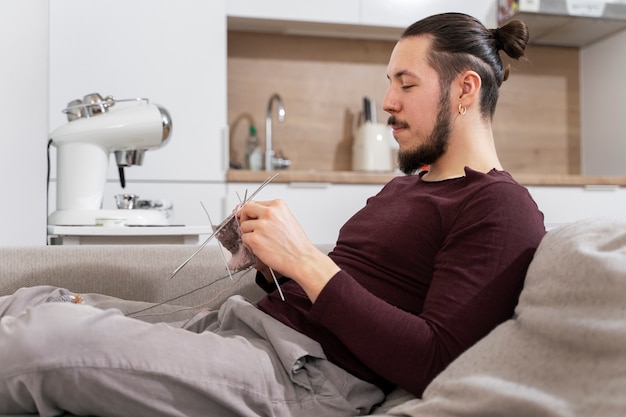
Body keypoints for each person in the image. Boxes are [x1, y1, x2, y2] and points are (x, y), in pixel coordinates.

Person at [0, 12, 545, 417]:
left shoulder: (499, 208)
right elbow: (353, 290)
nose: (387, 103)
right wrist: (275, 265)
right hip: (249, 329)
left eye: (406, 84)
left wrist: (307, 260)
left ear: (464, 89)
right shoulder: (410, 187)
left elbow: (435, 357)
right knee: (39, 300)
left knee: (39, 343)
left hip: (306, 378)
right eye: (388, 83)